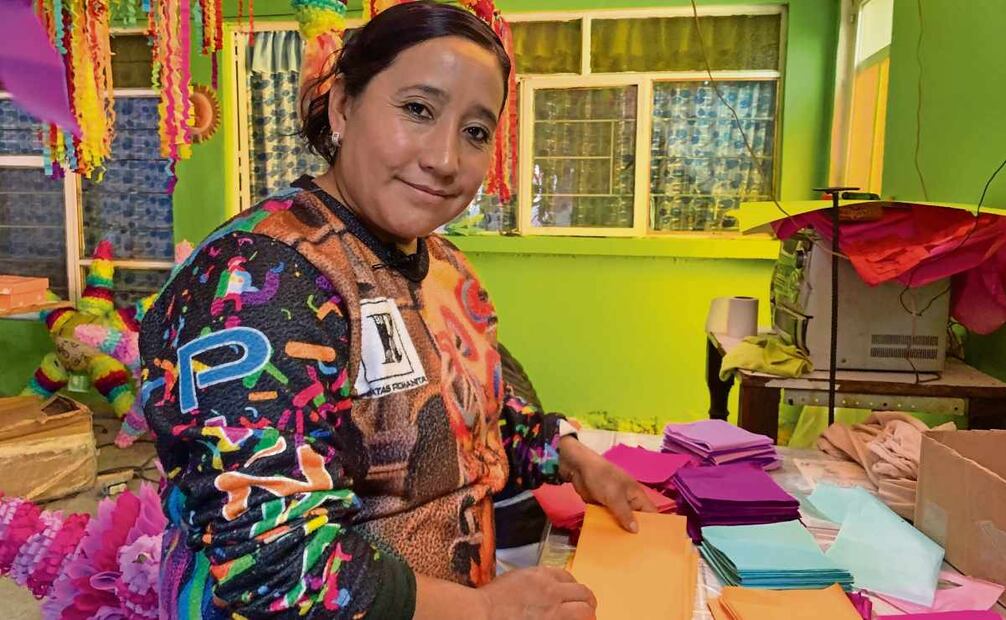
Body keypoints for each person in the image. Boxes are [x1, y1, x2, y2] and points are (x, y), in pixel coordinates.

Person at [140, 3, 656, 618]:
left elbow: (472, 426)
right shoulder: (257, 281)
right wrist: (486, 612)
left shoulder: (446, 269)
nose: (445, 158)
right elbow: (272, 562)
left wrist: (570, 456)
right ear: (342, 106)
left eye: (475, 131)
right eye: (417, 109)